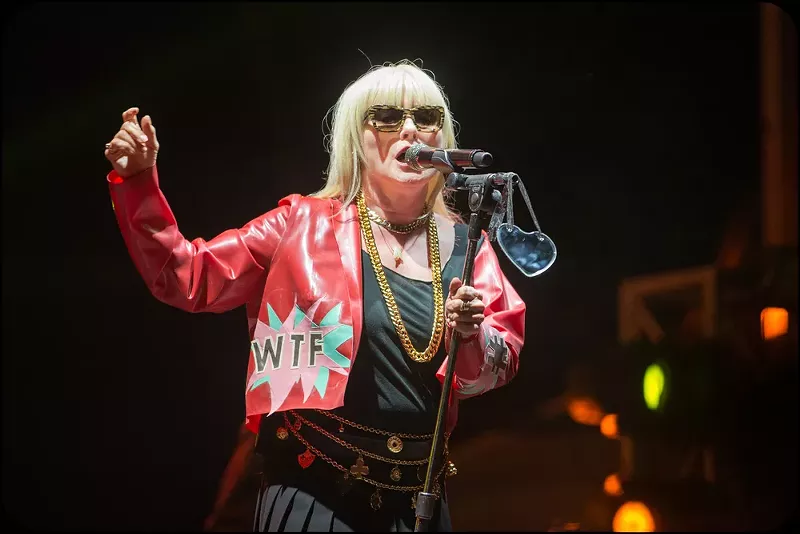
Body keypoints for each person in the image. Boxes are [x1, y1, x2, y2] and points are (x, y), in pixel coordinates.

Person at [104, 60, 526, 532]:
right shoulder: (299, 225)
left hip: (418, 499)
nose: (409, 128)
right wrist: (139, 184)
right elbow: (187, 276)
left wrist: (467, 335)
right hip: (313, 488)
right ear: (356, 137)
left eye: (425, 118)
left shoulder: (469, 244)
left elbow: (498, 361)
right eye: (387, 117)